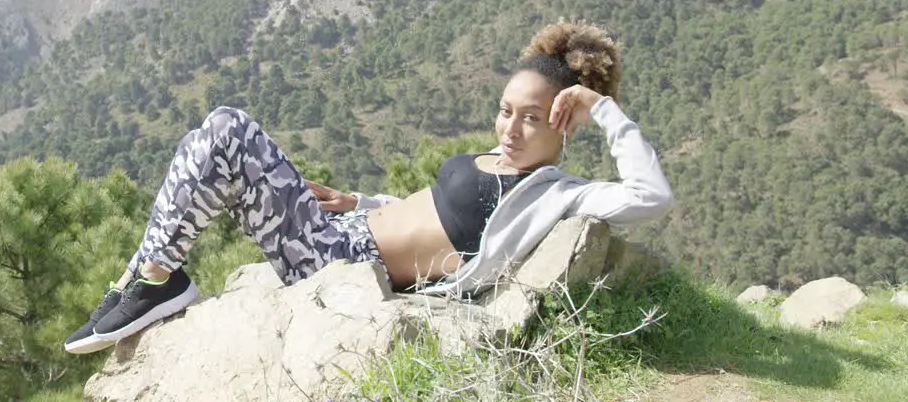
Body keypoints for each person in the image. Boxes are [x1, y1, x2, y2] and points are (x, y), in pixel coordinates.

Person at [64, 21, 673, 354]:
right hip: (340, 228)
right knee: (211, 135)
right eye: (505, 110)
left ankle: (154, 280)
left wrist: (606, 110)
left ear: (564, 123)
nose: (511, 128)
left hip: (342, 263)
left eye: (532, 118)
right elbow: (426, 210)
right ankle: (148, 276)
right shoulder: (494, 158)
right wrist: (358, 202)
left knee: (227, 128)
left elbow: (652, 197)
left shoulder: (554, 193)